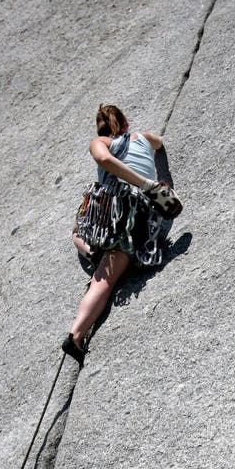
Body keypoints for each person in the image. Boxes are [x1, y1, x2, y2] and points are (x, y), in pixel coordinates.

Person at [62, 104, 165, 365]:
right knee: (104, 265)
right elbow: (159, 142)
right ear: (125, 122)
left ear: (101, 128)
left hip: (116, 209)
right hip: (138, 211)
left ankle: (75, 335)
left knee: (98, 272)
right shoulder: (142, 138)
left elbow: (103, 159)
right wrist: (148, 181)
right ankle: (96, 252)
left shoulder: (100, 141)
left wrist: (140, 182)